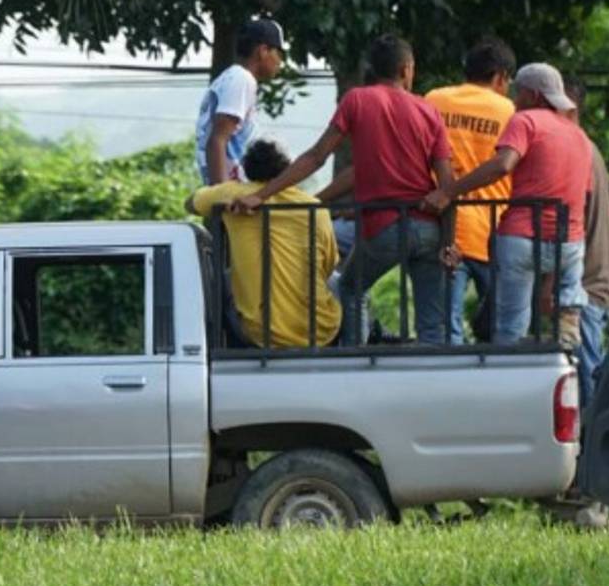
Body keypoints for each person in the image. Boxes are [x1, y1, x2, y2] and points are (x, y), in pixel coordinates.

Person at [232, 34, 454, 344]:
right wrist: (449, 241)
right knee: (433, 326)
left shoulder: (357, 100)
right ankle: (435, 386)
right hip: (430, 226)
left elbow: (316, 156)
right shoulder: (428, 111)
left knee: (350, 289)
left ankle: (354, 364)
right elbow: (447, 186)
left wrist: (262, 194)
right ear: (407, 69)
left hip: (386, 226)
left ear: (373, 69)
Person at [424, 63, 592, 347]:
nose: (514, 100)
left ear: (533, 94)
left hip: (522, 237)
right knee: (566, 332)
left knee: (511, 326)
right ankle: (564, 379)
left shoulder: (525, 121)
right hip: (570, 243)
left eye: (519, 93)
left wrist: (450, 191)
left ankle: (507, 382)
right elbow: (584, 193)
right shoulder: (580, 136)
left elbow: (503, 165)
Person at [186, 138, 341, 348]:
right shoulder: (316, 209)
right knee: (343, 282)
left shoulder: (233, 195)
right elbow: (328, 266)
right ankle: (355, 343)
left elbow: (190, 204)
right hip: (320, 331)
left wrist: (221, 203)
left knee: (225, 278)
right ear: (288, 170)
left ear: (247, 169)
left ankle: (222, 348)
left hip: (261, 334)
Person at [425, 37, 517, 344]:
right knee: (503, 328)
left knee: (446, 330)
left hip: (445, 228)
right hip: (494, 232)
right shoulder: (509, 111)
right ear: (501, 77)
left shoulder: (434, 100)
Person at [564, 77, 609, 410]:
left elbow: (589, 202)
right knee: (586, 369)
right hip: (598, 281)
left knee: (588, 374)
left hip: (587, 285)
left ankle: (593, 446)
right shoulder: (590, 148)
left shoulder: (576, 150)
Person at [194, 19, 286, 185]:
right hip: (231, 188)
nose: (280, 61)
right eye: (279, 53)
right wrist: (221, 194)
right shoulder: (241, 79)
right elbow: (218, 139)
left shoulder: (233, 77)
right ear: (263, 51)